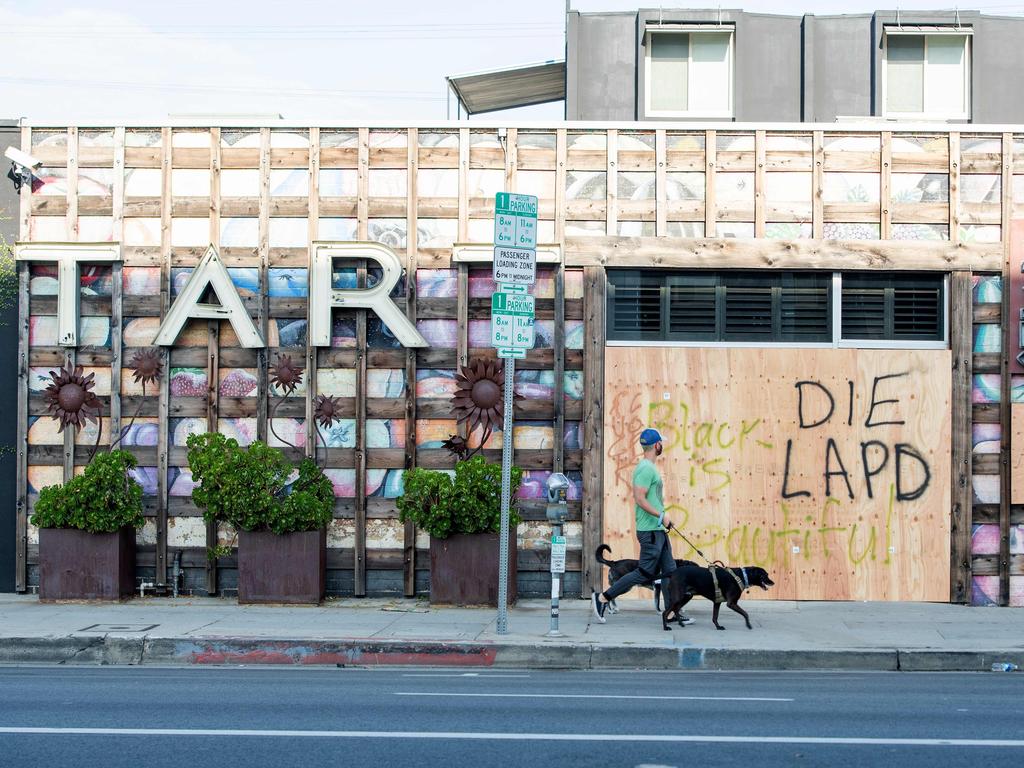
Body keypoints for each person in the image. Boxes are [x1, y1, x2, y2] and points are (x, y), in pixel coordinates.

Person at [591, 428, 693, 624]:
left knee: (670, 572)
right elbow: (639, 498)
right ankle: (603, 598)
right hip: (650, 531)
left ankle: (671, 612)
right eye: (661, 442)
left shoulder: (648, 467)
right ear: (657, 445)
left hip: (657, 530)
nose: (662, 445)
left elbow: (650, 499)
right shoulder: (646, 468)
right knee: (644, 573)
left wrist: (663, 519)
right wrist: (661, 515)